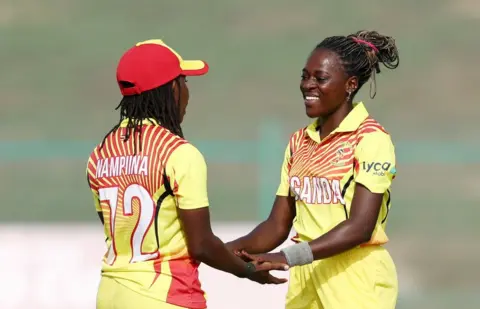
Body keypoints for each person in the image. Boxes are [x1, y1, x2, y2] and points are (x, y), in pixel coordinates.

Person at [86, 39, 288, 309]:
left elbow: (119, 232)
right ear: (172, 88)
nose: (187, 92)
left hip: (110, 296)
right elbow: (201, 245)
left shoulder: (100, 153)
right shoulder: (178, 153)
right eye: (185, 82)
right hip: (166, 297)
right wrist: (248, 271)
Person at [226, 30, 400, 309]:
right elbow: (277, 225)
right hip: (306, 277)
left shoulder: (370, 139)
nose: (308, 85)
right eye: (305, 76)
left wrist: (287, 257)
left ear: (350, 85)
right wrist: (221, 251)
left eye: (320, 78)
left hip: (355, 277)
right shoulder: (298, 141)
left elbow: (360, 228)